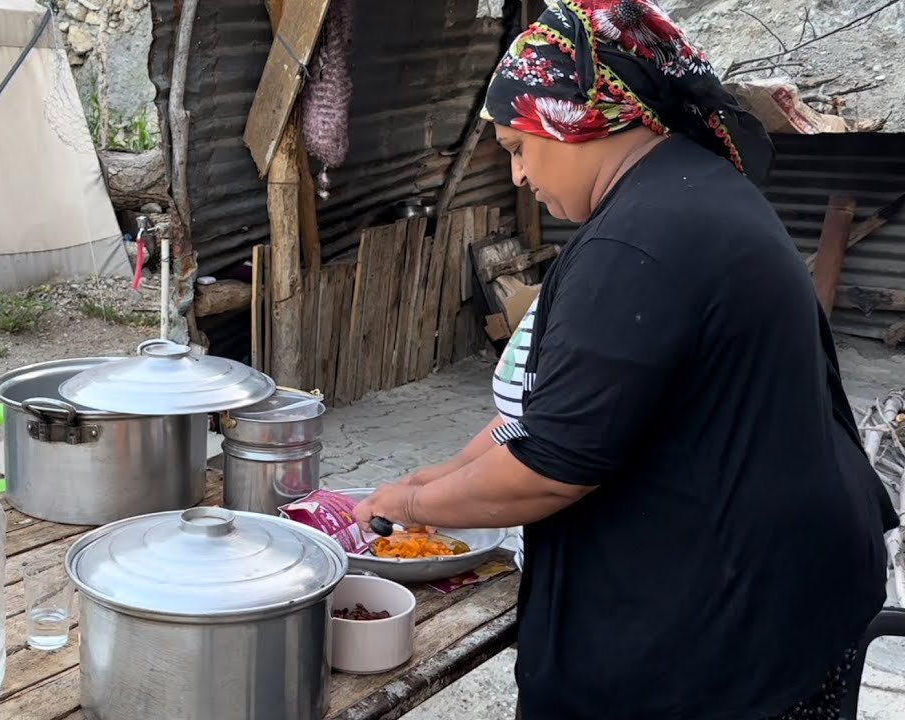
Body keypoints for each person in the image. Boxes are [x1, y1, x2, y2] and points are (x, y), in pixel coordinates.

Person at [352, 1, 898, 718]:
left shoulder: (635, 244)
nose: (518, 176)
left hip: (734, 630)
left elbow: (550, 467)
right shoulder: (691, 192)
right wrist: (440, 477)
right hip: (795, 588)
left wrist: (414, 505)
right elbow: (559, 412)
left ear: (580, 119)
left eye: (519, 147)